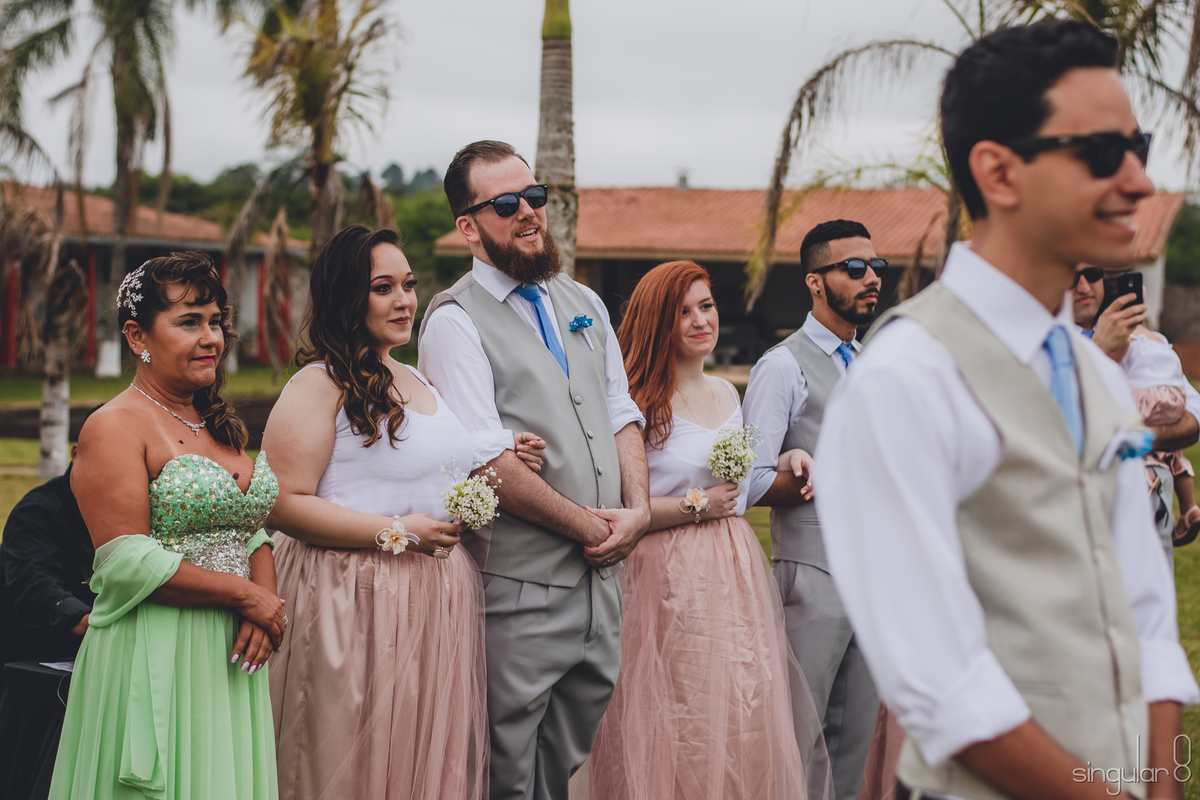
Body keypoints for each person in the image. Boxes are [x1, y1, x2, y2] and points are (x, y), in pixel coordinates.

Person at [816, 20, 1200, 800]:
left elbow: (1147, 614)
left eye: (1138, 149)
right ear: (998, 171)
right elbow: (941, 682)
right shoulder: (907, 376)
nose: (1138, 182)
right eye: (1103, 152)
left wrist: (1159, 785)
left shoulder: (1094, 372)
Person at [263, 224, 545, 800]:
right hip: (350, 594)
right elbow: (281, 503)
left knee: (417, 760)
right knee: (346, 757)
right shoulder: (318, 383)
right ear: (346, 296)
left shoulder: (416, 378)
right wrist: (395, 533)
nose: (404, 301)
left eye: (409, 285)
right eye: (383, 288)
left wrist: (504, 452)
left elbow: (432, 465)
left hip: (434, 598)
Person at [418, 140, 651, 800]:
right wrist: (595, 529)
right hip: (518, 590)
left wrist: (637, 510)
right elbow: (485, 462)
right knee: (505, 770)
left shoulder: (585, 300)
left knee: (564, 764)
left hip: (600, 589)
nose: (527, 212)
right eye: (505, 204)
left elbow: (620, 412)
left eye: (534, 196)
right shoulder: (454, 321)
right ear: (468, 227)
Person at [588, 260, 830, 800]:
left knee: (736, 705)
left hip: (732, 572)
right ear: (658, 322)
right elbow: (617, 507)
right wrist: (695, 507)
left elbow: (731, 475)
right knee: (673, 712)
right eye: (684, 312)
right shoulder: (636, 401)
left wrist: (787, 457)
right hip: (663, 576)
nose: (701, 321)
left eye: (707, 306)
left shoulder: (726, 391)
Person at [49, 251, 285, 799]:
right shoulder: (113, 426)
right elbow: (126, 559)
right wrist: (246, 596)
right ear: (137, 336)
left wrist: (264, 607)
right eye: (189, 322)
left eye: (215, 322)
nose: (211, 339)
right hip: (157, 649)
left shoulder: (214, 424)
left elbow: (249, 528)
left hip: (231, 655)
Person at [742, 218, 884, 800]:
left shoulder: (870, 360)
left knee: (855, 742)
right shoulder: (782, 365)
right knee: (798, 739)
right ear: (815, 282)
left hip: (876, 579)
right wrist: (816, 475)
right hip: (814, 573)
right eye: (855, 268)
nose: (871, 278)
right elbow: (749, 481)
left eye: (875, 267)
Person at [1073, 265, 1200, 551]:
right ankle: (1189, 507)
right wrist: (1099, 347)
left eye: (1092, 273)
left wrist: (1143, 437)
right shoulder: (1053, 343)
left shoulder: (1136, 340)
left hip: (1149, 493)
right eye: (1072, 276)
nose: (1083, 286)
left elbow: (1194, 415)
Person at [0, 445, 95, 800]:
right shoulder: (38, 510)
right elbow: (36, 587)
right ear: (76, 453)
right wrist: (100, 626)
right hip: (35, 666)